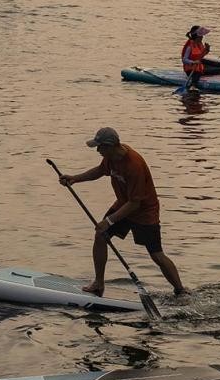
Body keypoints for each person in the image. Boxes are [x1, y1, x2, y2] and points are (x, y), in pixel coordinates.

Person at [57, 127, 187, 298]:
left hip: (144, 212)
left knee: (156, 254)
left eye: (100, 147)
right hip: (123, 205)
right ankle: (98, 283)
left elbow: (135, 203)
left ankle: (180, 290)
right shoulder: (111, 158)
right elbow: (99, 171)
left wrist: (109, 221)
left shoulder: (134, 165)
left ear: (110, 146)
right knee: (100, 235)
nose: (97, 151)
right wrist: (75, 178)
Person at [181, 26, 211, 91]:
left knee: (219, 70)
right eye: (201, 36)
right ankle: (193, 85)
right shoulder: (189, 46)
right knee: (197, 73)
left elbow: (201, 56)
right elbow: (184, 60)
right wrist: (193, 62)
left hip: (199, 67)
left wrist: (207, 50)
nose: (202, 37)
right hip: (191, 69)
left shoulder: (199, 44)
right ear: (197, 37)